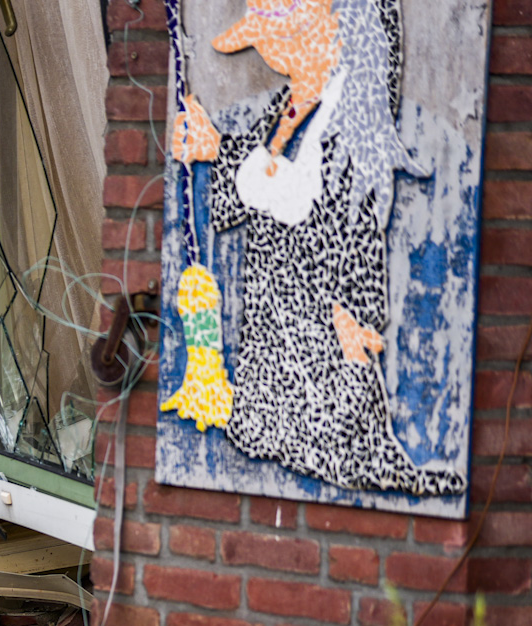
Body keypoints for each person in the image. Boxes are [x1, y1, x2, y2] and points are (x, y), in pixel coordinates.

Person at [168, 0, 464, 496]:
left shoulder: (354, 116)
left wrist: (217, 149)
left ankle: (342, 450)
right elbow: (260, 178)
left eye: (272, 39)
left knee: (329, 404)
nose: (267, 53)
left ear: (336, 29)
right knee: (272, 389)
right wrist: (213, 146)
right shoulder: (290, 101)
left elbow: (308, 199)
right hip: (277, 299)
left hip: (323, 303)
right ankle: (268, 428)